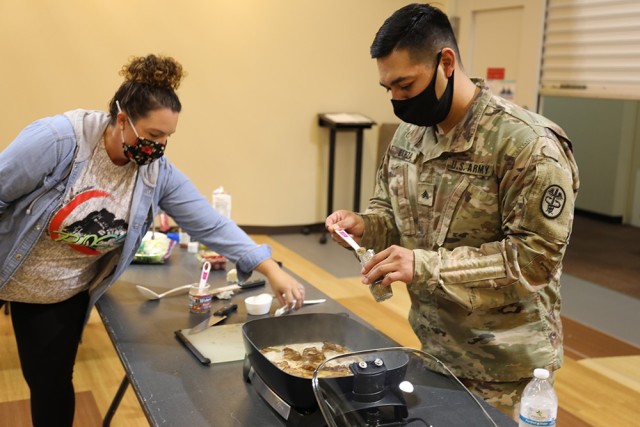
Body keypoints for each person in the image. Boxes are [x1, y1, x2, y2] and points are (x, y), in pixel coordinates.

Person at [0, 54, 305, 427]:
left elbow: (210, 224)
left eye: (167, 138)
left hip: (57, 292)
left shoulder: (156, 172)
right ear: (122, 119)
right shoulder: (59, 140)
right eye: (153, 135)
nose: (159, 147)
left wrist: (269, 268)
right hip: (5, 265)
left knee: (50, 386)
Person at [325, 3, 579, 420]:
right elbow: (390, 212)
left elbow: (533, 261)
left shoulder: (526, 145)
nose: (397, 99)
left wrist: (422, 265)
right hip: (433, 349)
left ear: (446, 62)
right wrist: (364, 226)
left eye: (405, 85)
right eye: (387, 88)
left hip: (504, 366)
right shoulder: (410, 136)